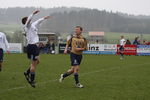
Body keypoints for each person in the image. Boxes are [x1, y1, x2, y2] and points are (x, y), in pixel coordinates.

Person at [22, 10, 50, 87]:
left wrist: (44, 18)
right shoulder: (27, 26)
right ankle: (32, 80)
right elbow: (29, 20)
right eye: (28, 19)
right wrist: (33, 13)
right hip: (32, 46)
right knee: (34, 64)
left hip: (34, 46)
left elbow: (38, 21)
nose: (30, 20)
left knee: (37, 61)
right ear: (26, 21)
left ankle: (27, 72)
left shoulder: (32, 25)